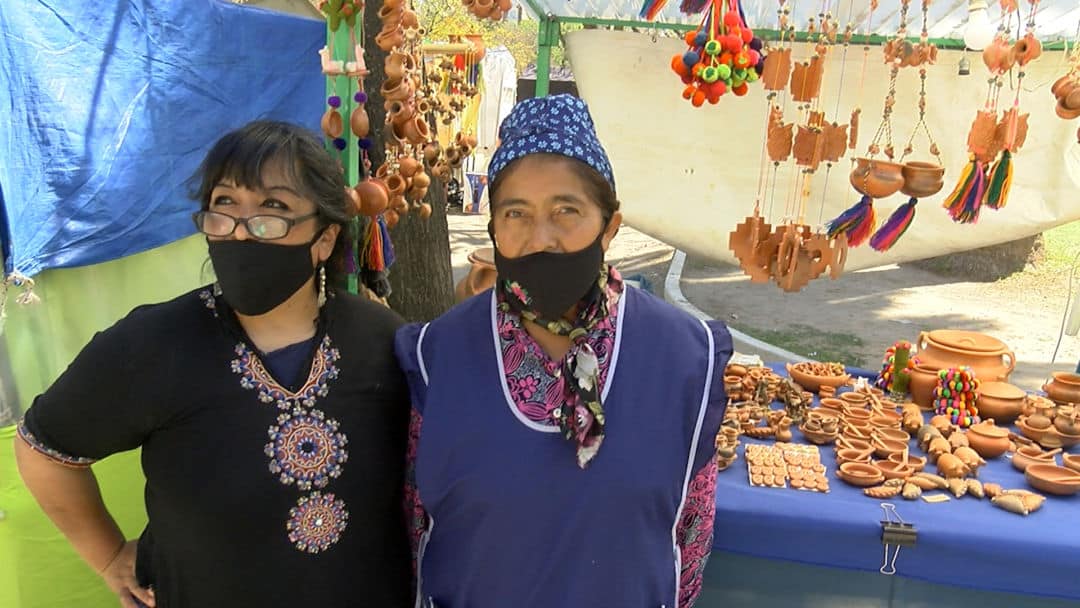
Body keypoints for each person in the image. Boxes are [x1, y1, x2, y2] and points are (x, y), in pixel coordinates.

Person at [15, 121, 412, 607]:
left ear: (325, 239)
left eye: (274, 209)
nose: (242, 231)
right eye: (224, 206)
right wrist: (109, 555)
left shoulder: (382, 341)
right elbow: (42, 450)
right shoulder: (154, 345)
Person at [396, 95, 733, 607]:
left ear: (610, 225)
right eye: (517, 213)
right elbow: (416, 522)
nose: (541, 238)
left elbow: (691, 532)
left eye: (566, 211)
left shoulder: (685, 357)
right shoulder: (437, 355)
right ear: (494, 228)